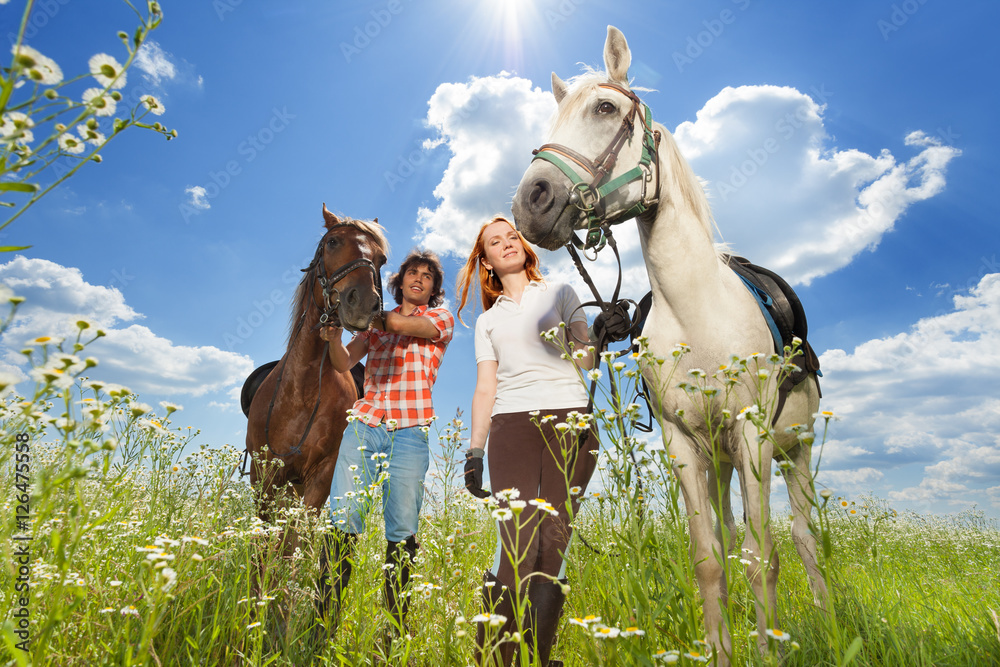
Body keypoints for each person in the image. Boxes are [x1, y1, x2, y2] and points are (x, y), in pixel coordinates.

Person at [456, 215, 598, 667]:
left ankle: (537, 659)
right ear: (487, 262)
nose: (506, 244)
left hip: (571, 419)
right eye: (494, 243)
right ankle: (497, 659)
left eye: (511, 236)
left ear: (523, 244)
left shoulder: (560, 292)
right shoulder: (488, 321)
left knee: (552, 541)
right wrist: (474, 451)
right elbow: (485, 387)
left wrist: (602, 333)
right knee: (518, 543)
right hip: (512, 425)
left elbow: (586, 356)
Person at [317, 249, 454, 638]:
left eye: (428, 276)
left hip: (411, 430)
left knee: (402, 527)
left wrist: (364, 310)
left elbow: (404, 326)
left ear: (432, 289)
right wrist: (333, 337)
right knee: (343, 517)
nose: (419, 279)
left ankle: (393, 628)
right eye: (413, 272)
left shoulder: (438, 319)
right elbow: (344, 363)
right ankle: (323, 623)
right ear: (400, 280)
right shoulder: (373, 327)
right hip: (366, 423)